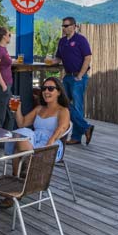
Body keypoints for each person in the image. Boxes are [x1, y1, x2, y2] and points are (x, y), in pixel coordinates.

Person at [0, 76, 71, 208]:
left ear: (59, 92)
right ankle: (21, 181)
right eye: (44, 88)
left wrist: (48, 144)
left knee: (19, 146)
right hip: (33, 142)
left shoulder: (63, 110)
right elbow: (22, 123)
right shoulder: (39, 109)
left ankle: (16, 187)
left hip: (51, 144)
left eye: (51, 88)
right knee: (20, 137)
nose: (46, 91)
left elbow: (62, 128)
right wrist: (17, 109)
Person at [53, 16, 94, 145]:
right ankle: (85, 127)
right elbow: (58, 58)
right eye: (63, 26)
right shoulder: (62, 41)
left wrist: (80, 75)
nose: (64, 28)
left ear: (74, 26)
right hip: (67, 77)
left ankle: (76, 137)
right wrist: (48, 62)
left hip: (78, 78)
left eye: (66, 26)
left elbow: (87, 57)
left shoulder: (81, 40)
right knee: (62, 102)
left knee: (77, 106)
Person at [0, 25, 14, 130]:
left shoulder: (4, 49)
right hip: (2, 86)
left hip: (7, 85)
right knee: (0, 115)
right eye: (9, 34)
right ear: (4, 36)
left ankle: (7, 137)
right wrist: (3, 86)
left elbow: (5, 63)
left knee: (10, 113)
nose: (10, 36)